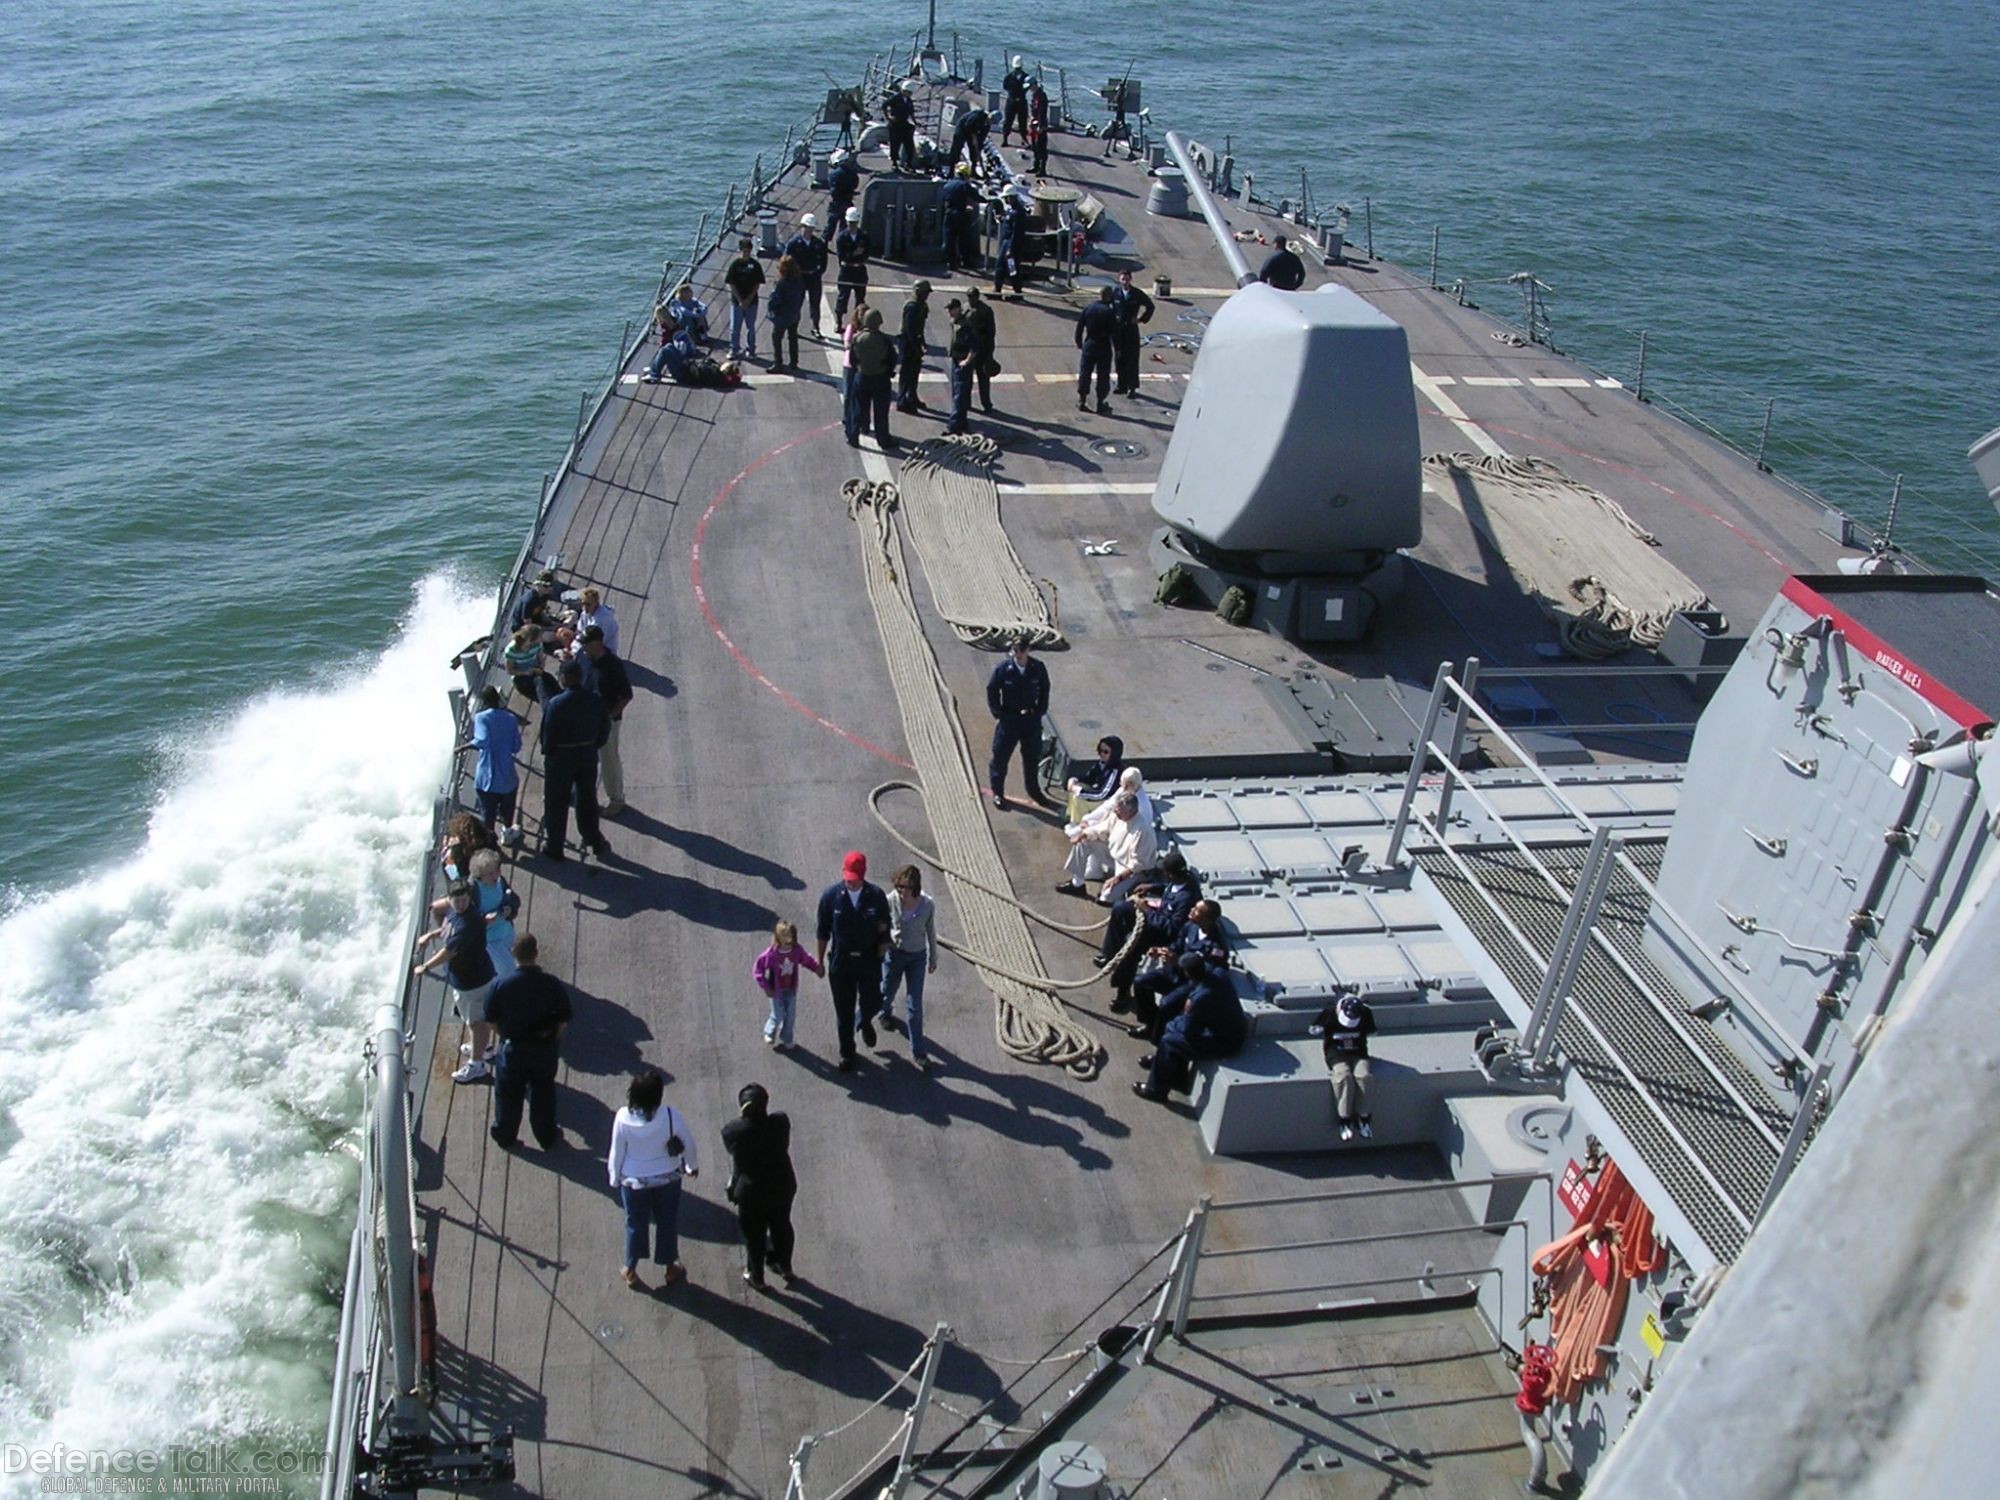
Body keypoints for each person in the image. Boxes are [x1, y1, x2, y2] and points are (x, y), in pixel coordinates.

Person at [608, 1067, 697, 1288]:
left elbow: (616, 1152)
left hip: (634, 1181)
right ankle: (670, 1268)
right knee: (667, 1221)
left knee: (635, 1224)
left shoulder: (622, 1118)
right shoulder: (669, 1115)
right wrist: (691, 1166)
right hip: (667, 1178)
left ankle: (630, 1269)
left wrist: (614, 1177)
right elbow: (688, 1142)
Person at [485, 933, 573, 1150]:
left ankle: (505, 1136)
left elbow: (491, 1020)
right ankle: (546, 1135)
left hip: (513, 1050)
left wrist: (504, 1036)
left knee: (508, 1095)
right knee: (543, 1093)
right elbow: (564, 1018)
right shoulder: (551, 984)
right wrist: (553, 1038)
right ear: (536, 953)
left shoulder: (500, 985)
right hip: (543, 1049)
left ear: (513, 954)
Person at [414, 882, 499, 1084]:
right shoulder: (456, 914)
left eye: (463, 900)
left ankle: (477, 1064)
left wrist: (425, 967)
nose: (460, 904)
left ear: (469, 899)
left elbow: (449, 951)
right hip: (464, 979)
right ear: (450, 899)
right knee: (473, 1018)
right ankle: (483, 1047)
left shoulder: (468, 923)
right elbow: (447, 929)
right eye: (456, 900)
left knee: (477, 1021)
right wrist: (431, 935)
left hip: (474, 981)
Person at [815, 850, 892, 1071]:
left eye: (854, 879)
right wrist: (819, 961)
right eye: (847, 878)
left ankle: (865, 1021)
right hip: (842, 962)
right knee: (843, 1011)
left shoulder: (876, 897)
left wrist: (882, 951)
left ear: (863, 875)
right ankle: (847, 1052)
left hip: (868, 960)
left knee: (874, 1001)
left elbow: (884, 928)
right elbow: (822, 932)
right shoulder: (830, 897)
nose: (850, 883)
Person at [1133, 952, 1246, 1102]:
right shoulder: (1218, 974)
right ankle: (1177, 1078)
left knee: (1170, 1039)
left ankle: (1156, 1090)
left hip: (1224, 1042)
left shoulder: (1201, 998)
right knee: (1173, 1029)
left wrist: (1184, 1014)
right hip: (1228, 1029)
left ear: (1188, 973)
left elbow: (1189, 1032)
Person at [1098, 849, 1203, 1006]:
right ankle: (1109, 953)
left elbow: (1171, 929)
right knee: (1121, 908)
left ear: (1171, 875)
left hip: (1163, 934)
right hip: (1157, 917)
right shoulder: (1183, 880)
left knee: (1131, 947)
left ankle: (1122, 992)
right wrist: (1152, 887)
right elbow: (1169, 888)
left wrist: (1146, 910)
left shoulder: (1186, 899)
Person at [721, 1083, 797, 1290]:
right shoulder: (780, 1122)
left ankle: (757, 1277)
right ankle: (784, 1265)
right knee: (782, 1226)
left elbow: (732, 1146)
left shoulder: (733, 1131)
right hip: (782, 1185)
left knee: (754, 1237)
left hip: (751, 1192)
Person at [538, 657, 611, 862]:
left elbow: (547, 734)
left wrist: (549, 753)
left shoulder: (555, 704)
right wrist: (593, 745)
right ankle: (594, 839)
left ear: (563, 679)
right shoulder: (595, 699)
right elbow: (605, 728)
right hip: (587, 754)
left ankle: (555, 847)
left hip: (561, 758)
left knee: (556, 803)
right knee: (587, 799)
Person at [1127, 898, 1229, 1042]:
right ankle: (1150, 1024)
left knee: (1167, 1004)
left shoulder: (1216, 947)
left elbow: (1206, 973)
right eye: (1193, 907)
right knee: (1140, 982)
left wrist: (1179, 960)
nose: (1191, 910)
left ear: (1208, 919)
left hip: (1191, 983)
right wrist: (1162, 951)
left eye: (1197, 910)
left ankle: (1157, 1040)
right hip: (1174, 973)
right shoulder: (1190, 927)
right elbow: (1177, 944)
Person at [881, 865, 939, 1066]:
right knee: (887, 990)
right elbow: (882, 925)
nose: (901, 892)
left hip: (916, 957)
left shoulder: (927, 905)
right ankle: (884, 1012)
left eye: (905, 888)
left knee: (914, 1006)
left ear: (914, 886)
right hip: (895, 954)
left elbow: (931, 932)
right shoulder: (891, 900)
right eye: (899, 887)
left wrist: (933, 958)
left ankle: (919, 1052)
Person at [985, 635, 1050, 811]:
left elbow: (1044, 688)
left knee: (1031, 757)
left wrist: (1040, 710)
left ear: (1028, 650)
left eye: (1021, 650)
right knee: (1000, 757)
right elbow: (992, 689)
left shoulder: (1037, 668)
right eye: (1015, 650)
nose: (1018, 654)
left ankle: (1034, 791)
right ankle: (998, 792)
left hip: (1030, 720)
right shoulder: (1004, 669)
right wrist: (997, 712)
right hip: (1009, 720)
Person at [575, 625, 633, 817]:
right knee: (581, 756)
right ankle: (577, 790)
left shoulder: (613, 665)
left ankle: (616, 798)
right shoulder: (583, 658)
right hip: (584, 717)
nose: (583, 648)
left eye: (586, 644)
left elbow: (626, 695)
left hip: (606, 720)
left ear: (597, 643)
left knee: (609, 759)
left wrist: (610, 716)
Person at [1058, 789, 1153, 897]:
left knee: (1106, 897)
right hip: (1114, 857)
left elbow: (1139, 864)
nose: (1116, 812)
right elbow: (1102, 828)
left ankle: (1119, 891)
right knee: (1083, 842)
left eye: (1119, 811)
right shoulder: (1118, 816)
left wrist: (1117, 878)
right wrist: (1083, 834)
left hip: (1131, 869)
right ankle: (1077, 884)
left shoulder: (1142, 831)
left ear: (1130, 812)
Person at [459, 686, 522, 840]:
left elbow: (482, 740)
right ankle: (507, 833)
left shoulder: (480, 718)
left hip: (486, 777)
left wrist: (463, 747)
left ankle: (489, 841)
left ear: (483, 701)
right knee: (508, 807)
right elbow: (516, 747)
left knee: (488, 812)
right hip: (507, 774)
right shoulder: (510, 718)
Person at [1312, 994, 1377, 1140]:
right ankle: (1344, 1119)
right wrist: (1318, 1029)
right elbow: (1314, 1028)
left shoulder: (1366, 1013)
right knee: (1343, 1077)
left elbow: (1372, 1031)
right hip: (1336, 1053)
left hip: (1358, 1052)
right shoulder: (1329, 1013)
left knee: (1364, 1077)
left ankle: (1364, 1118)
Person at [753, 919, 822, 1050]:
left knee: (790, 1016)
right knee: (778, 1014)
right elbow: (758, 969)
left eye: (790, 936)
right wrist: (766, 986)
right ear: (778, 938)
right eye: (785, 937)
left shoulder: (796, 950)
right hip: (775, 991)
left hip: (790, 989)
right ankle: (770, 1031)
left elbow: (806, 959)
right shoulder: (772, 954)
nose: (788, 940)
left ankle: (787, 1037)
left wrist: (816, 968)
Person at [848, 308, 899, 448]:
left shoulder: (857, 338)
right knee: (881, 412)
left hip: (862, 377)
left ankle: (853, 436)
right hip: (880, 378)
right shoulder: (883, 339)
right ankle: (883, 440)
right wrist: (888, 371)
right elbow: (892, 359)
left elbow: (852, 360)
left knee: (858, 409)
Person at [1110, 270, 1156, 396]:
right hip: (1118, 331)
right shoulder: (1115, 293)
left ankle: (1132, 387)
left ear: (1131, 280)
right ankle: (1121, 385)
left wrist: (1141, 319)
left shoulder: (1136, 294)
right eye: (1123, 279)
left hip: (1131, 330)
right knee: (1119, 358)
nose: (1125, 281)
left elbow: (1150, 307)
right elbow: (1109, 307)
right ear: (1119, 280)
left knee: (1132, 359)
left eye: (1127, 279)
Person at [784, 213, 829, 338]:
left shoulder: (818, 244)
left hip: (813, 277)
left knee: (815, 304)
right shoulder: (793, 244)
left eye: (811, 228)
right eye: (807, 227)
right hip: (799, 278)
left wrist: (818, 272)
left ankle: (816, 327)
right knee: (796, 303)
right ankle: (793, 328)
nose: (809, 230)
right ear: (802, 227)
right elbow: (786, 261)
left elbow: (824, 261)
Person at [1075, 285, 1119, 413]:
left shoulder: (1089, 308)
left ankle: (1082, 400)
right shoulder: (1109, 312)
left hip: (1090, 344)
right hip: (1104, 346)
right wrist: (1118, 349)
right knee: (1103, 375)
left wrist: (1078, 341)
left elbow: (1080, 326)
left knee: (1085, 373)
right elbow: (1114, 332)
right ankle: (1100, 403)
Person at [1064, 736, 1126, 821]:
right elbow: (1090, 778)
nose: (1101, 754)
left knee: (1078, 798)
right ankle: (1071, 816)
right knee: (1074, 789)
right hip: (1100, 796)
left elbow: (1102, 794)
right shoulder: (1101, 763)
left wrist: (1079, 791)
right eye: (1100, 750)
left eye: (1106, 752)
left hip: (1108, 802)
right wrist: (1074, 781)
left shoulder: (1114, 771)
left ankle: (1079, 823)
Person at [723, 237, 765, 360]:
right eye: (744, 250)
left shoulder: (755, 265)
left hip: (751, 302)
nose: (746, 253)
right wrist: (741, 300)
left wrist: (748, 300)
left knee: (750, 328)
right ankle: (734, 349)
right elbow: (731, 284)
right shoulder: (735, 265)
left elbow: (757, 284)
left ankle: (751, 349)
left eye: (748, 250)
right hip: (737, 302)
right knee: (734, 328)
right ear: (740, 250)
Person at [895, 280, 931, 414]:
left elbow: (919, 328)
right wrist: (916, 347)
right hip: (907, 342)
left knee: (914, 371)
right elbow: (909, 330)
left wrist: (922, 341)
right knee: (906, 372)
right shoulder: (912, 306)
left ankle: (912, 396)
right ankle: (902, 399)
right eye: (925, 292)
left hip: (914, 340)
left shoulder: (922, 305)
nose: (927, 295)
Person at [767, 252, 806, 371]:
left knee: (776, 338)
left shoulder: (781, 283)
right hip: (794, 314)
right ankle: (794, 362)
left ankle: (778, 363)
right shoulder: (799, 280)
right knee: (793, 337)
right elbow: (802, 295)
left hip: (782, 315)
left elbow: (775, 299)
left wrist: (771, 309)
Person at [942, 298, 976, 435]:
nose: (949, 312)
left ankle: (954, 425)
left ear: (958, 309)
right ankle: (962, 422)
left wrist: (967, 361)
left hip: (962, 363)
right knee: (958, 392)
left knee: (959, 395)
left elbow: (974, 347)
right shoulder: (955, 323)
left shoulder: (965, 326)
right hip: (956, 360)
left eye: (951, 309)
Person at [503, 622, 557, 705]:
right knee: (541, 686)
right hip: (521, 676)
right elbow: (509, 670)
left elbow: (540, 659)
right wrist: (525, 672)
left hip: (535, 671)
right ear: (532, 640)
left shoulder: (537, 645)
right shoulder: (511, 651)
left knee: (550, 681)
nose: (540, 638)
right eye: (538, 637)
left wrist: (541, 666)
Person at [964, 287, 998, 413]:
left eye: (972, 296)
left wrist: (989, 352)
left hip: (982, 348)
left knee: (983, 378)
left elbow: (991, 332)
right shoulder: (965, 308)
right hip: (969, 348)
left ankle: (986, 404)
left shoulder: (985, 311)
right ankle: (966, 402)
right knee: (967, 378)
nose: (970, 299)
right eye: (969, 296)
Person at [939, 164, 978, 273]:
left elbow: (944, 199)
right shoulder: (964, 184)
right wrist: (986, 200)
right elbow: (975, 196)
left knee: (949, 238)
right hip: (961, 214)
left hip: (949, 214)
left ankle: (950, 262)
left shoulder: (948, 184)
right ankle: (965, 261)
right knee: (963, 238)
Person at [833, 206, 870, 324]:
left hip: (859, 270)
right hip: (847, 271)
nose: (852, 225)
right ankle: (839, 322)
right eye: (850, 223)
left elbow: (867, 253)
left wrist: (856, 256)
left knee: (860, 299)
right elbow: (842, 256)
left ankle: (858, 322)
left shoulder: (864, 236)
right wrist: (855, 253)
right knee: (843, 297)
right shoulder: (841, 238)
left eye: (854, 223)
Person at [991, 197, 1025, 297]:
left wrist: (1011, 248)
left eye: (1007, 198)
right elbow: (1008, 220)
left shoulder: (1018, 213)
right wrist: (1002, 218)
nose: (1005, 200)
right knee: (1000, 266)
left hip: (1011, 243)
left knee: (1012, 268)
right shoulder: (1012, 210)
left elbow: (1016, 233)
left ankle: (1017, 291)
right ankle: (997, 288)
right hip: (1006, 242)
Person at [574, 586, 620, 655]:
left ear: (595, 602)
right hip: (586, 640)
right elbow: (580, 630)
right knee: (562, 633)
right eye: (583, 603)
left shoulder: (602, 619)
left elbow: (598, 642)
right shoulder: (586, 613)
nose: (585, 607)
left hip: (603, 650)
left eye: (588, 604)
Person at [883, 80, 917, 173]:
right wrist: (888, 117)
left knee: (909, 145)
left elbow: (911, 112)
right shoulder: (896, 98)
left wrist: (915, 122)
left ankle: (908, 163)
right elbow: (884, 106)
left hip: (904, 123)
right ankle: (894, 163)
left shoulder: (909, 101)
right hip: (895, 124)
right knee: (895, 144)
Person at [948, 103, 990, 169]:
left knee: (974, 150)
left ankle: (974, 169)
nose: (989, 122)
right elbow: (968, 125)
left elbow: (982, 138)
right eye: (989, 120)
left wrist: (978, 147)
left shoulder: (987, 126)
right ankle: (952, 169)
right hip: (962, 128)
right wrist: (973, 136)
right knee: (957, 147)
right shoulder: (977, 116)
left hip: (973, 132)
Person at [1000, 57, 1031, 145]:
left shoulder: (1026, 77)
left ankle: (1024, 138)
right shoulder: (1009, 77)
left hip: (1022, 102)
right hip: (1011, 101)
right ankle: (1005, 138)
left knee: (1023, 121)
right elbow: (1005, 87)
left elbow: (1028, 87)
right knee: (1008, 121)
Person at [827, 147, 860, 225]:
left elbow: (831, 185)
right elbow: (855, 184)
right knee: (844, 226)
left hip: (836, 202)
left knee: (830, 226)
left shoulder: (833, 174)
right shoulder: (852, 173)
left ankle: (826, 238)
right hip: (847, 201)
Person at [1028, 81, 1050, 176]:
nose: (1029, 89)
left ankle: (1042, 169)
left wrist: (1041, 126)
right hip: (1034, 122)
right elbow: (1034, 110)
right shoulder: (1034, 95)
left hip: (1040, 124)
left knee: (1041, 147)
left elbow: (1042, 112)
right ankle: (1036, 166)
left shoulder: (1042, 96)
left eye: (1030, 87)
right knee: (1034, 146)